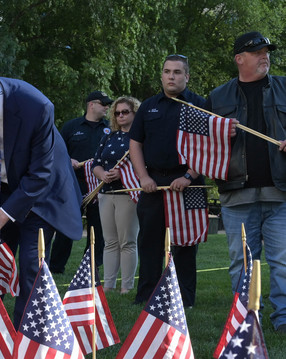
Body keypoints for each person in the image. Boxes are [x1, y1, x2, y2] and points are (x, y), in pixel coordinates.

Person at [0, 66, 83, 328]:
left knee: (32, 265)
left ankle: (26, 340)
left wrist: (0, 216)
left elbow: (40, 173)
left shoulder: (37, 106)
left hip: (40, 194)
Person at [205, 31, 286, 333]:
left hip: (280, 191)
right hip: (236, 193)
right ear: (240, 59)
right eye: (257, 52)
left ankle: (283, 319)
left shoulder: (285, 87)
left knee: (282, 262)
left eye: (267, 51)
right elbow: (204, 143)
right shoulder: (217, 96)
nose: (265, 56)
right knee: (242, 263)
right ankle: (246, 319)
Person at [129, 54, 204, 307]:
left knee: (185, 243)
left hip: (188, 180)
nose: (171, 76)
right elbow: (135, 143)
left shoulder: (199, 105)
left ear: (187, 76)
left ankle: (185, 299)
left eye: (177, 72)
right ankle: (146, 297)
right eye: (167, 71)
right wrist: (143, 177)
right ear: (161, 75)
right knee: (149, 241)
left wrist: (188, 176)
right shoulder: (149, 106)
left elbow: (208, 146)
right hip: (152, 182)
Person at [48, 91, 111, 274]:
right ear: (91, 104)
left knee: (98, 227)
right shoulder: (71, 126)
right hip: (73, 184)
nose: (107, 107)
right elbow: (55, 151)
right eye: (103, 103)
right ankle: (56, 266)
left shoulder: (109, 128)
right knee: (66, 225)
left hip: (99, 184)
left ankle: (91, 266)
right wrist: (68, 160)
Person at [91, 96, 141, 294]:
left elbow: (145, 166)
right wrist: (102, 173)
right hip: (105, 193)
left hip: (127, 193)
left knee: (127, 242)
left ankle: (126, 287)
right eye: (117, 112)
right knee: (110, 242)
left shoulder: (140, 138)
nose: (120, 115)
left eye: (125, 112)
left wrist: (123, 173)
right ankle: (109, 286)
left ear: (134, 113)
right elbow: (95, 162)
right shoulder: (109, 137)